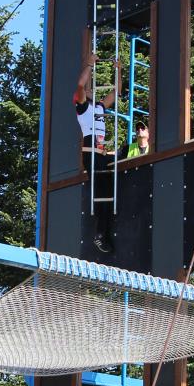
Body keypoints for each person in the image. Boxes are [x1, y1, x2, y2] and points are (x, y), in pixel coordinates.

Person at [74, 52, 120, 254]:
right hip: (91, 153)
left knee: (108, 192)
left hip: (102, 154)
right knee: (101, 193)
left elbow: (116, 92)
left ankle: (105, 232)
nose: (91, 90)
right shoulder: (83, 107)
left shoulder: (100, 107)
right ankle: (100, 234)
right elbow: (80, 85)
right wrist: (89, 64)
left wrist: (118, 70)